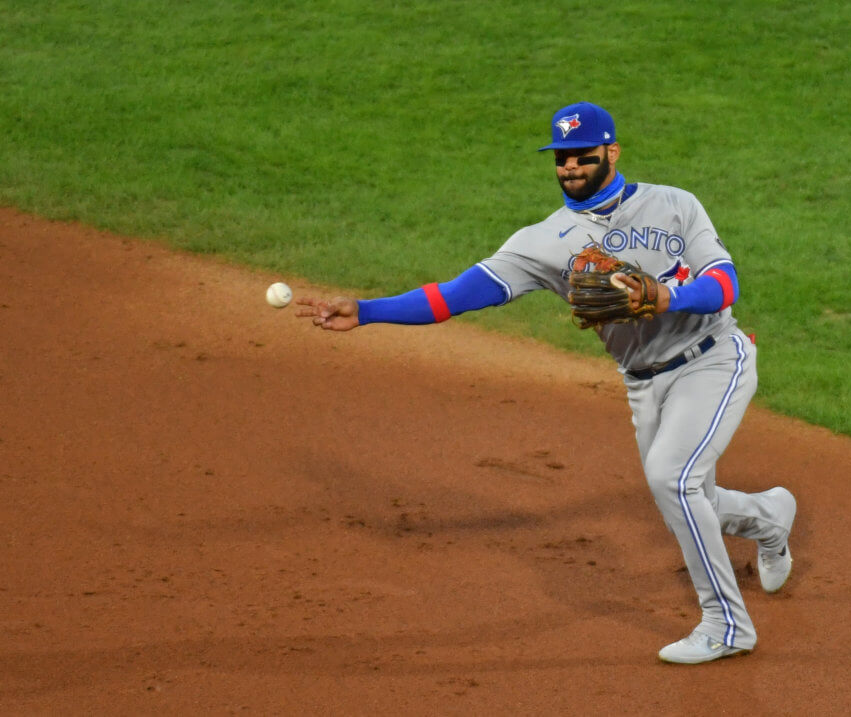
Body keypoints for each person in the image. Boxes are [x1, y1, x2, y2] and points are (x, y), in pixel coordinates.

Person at [295, 101, 797, 664]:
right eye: (561, 158)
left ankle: (726, 626)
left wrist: (665, 295)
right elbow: (454, 296)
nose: (570, 166)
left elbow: (725, 285)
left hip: (714, 360)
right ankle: (771, 519)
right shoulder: (545, 241)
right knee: (690, 494)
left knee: (670, 479)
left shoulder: (675, 205)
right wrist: (365, 310)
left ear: (612, 152)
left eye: (582, 155)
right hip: (643, 383)